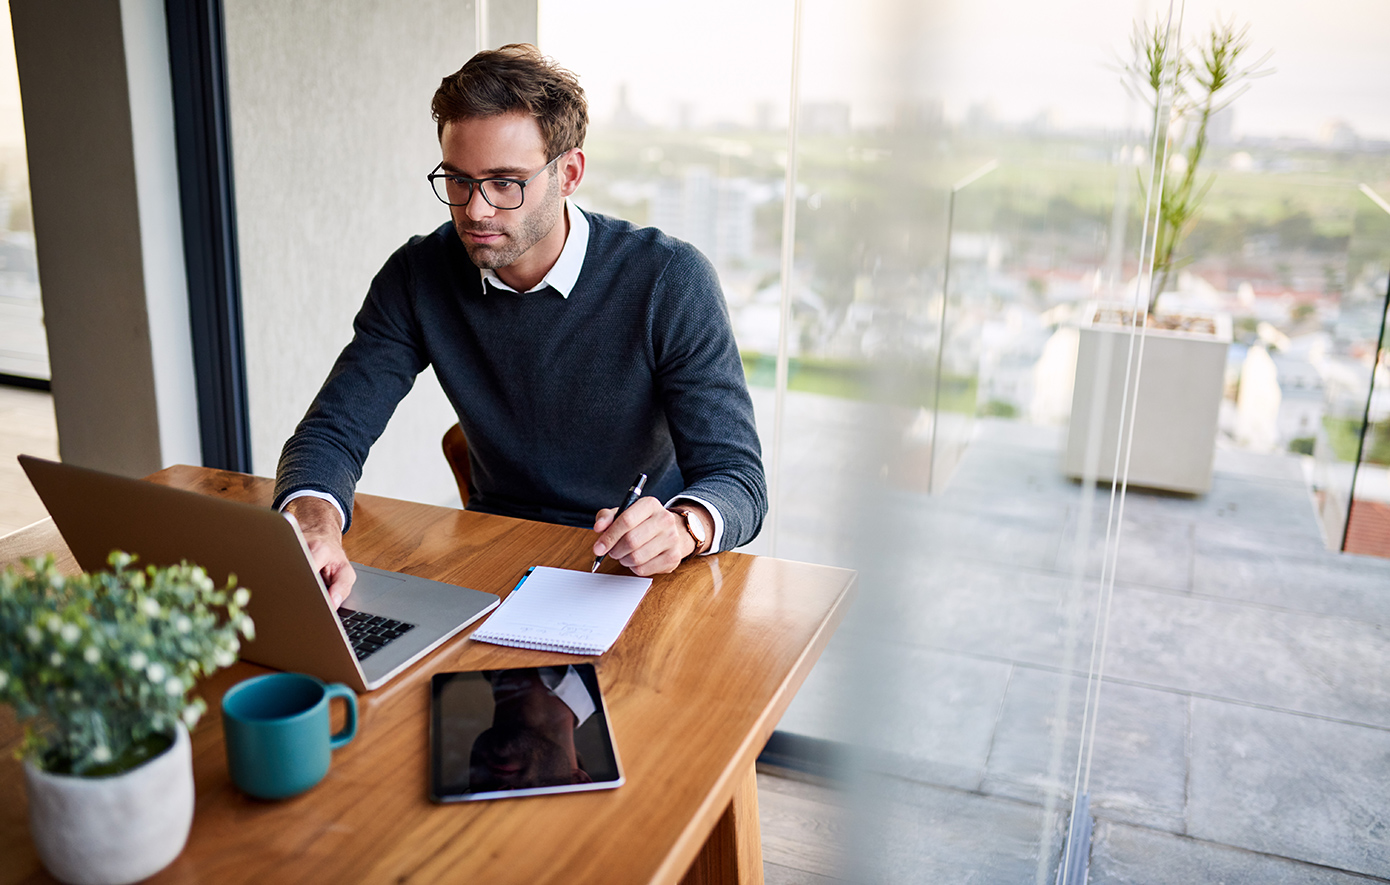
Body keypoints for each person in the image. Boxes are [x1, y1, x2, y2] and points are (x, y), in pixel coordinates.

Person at [273, 44, 766, 605]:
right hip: (496, 549)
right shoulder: (417, 275)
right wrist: (312, 523)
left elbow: (738, 478)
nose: (475, 210)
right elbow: (332, 431)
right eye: (458, 180)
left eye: (505, 182)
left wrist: (683, 527)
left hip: (637, 569)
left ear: (568, 174)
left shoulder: (669, 279)